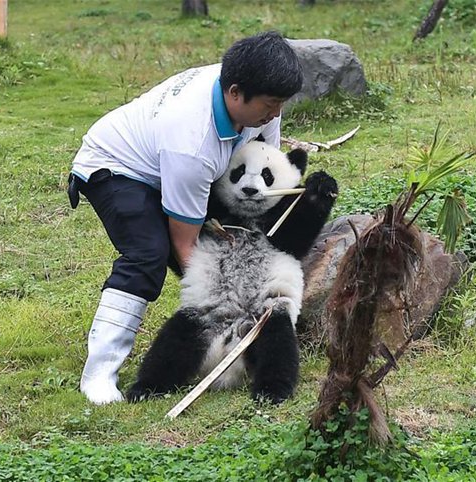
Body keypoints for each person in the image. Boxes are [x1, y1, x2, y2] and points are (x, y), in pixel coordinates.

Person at [68, 31, 303, 405]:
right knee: (148, 254)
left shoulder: (257, 98)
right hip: (116, 168)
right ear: (235, 93)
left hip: (175, 163)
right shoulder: (192, 143)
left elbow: (261, 164)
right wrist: (223, 301)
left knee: (231, 239)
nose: (275, 113)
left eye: (280, 104)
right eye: (271, 104)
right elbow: (184, 244)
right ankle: (99, 375)